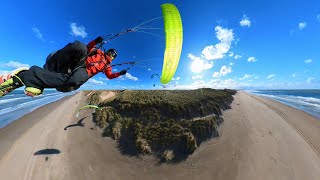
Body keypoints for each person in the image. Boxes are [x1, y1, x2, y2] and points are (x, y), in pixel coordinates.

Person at [0, 36, 127, 97]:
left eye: (113, 56)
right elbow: (88, 48)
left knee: (76, 78)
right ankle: (41, 76)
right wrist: (95, 41)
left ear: (114, 58)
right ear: (107, 51)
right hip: (78, 62)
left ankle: (26, 77)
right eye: (110, 53)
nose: (111, 55)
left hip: (82, 72)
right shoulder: (98, 52)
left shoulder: (107, 66)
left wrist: (119, 74)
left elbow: (110, 76)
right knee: (79, 46)